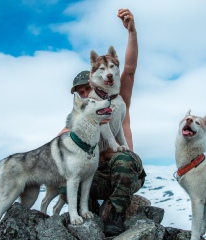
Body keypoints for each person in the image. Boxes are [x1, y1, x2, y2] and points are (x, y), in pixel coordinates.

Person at [58, 9, 146, 236]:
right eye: (79, 93)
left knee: (123, 158)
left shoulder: (117, 99)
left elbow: (130, 69)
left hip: (125, 174)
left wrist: (132, 32)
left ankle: (115, 214)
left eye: (87, 88)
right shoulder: (78, 122)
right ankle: (94, 212)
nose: (85, 94)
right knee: (63, 181)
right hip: (96, 177)